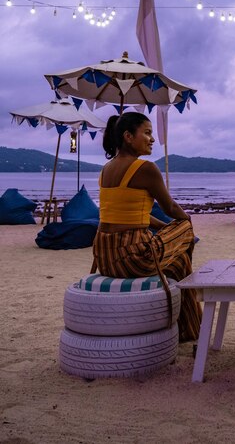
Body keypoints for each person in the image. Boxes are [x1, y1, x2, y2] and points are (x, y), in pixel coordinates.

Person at [91, 112, 201, 342]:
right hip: (134, 259)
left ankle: (190, 329)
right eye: (148, 133)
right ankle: (192, 323)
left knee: (180, 263)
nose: (152, 139)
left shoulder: (105, 170)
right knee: (186, 226)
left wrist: (163, 229)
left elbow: (133, 215)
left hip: (105, 259)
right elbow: (170, 207)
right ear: (128, 136)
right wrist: (185, 223)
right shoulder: (145, 168)